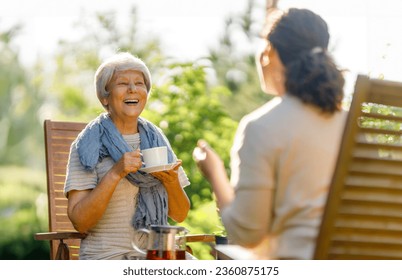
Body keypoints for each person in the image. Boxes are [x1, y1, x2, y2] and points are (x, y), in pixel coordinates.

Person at [193, 8, 347, 259]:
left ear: (270, 53)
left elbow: (247, 235)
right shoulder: (354, 125)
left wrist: (215, 173)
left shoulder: (261, 127)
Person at [64, 52, 191, 260]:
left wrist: (171, 183)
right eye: (123, 83)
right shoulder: (87, 144)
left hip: (155, 255)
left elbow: (180, 214)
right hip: (107, 256)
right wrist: (115, 173)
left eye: (139, 83)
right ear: (105, 96)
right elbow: (80, 222)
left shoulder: (156, 138)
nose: (133, 89)